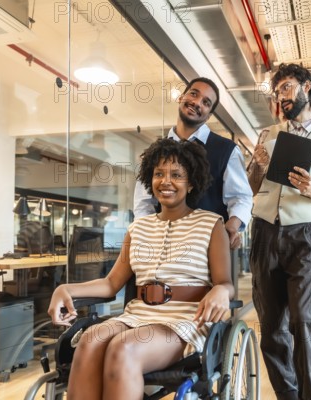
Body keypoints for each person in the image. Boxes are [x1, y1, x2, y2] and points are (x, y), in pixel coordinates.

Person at [48, 138, 234, 400]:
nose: (166, 181)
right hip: (136, 316)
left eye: (176, 175)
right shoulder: (138, 228)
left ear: (191, 183)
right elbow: (112, 283)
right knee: (90, 340)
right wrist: (64, 288)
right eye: (159, 174)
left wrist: (221, 290)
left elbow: (225, 281)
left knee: (124, 348)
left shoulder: (211, 224)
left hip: (185, 321)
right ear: (150, 178)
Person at [247, 63, 311, 400]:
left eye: (287, 87)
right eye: (278, 92)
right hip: (263, 232)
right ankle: (287, 396)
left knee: (304, 320)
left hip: (303, 235)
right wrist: (258, 169)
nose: (282, 96)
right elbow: (249, 188)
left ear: (306, 86)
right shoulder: (267, 135)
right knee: (272, 327)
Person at [133, 77, 252, 249]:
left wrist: (231, 227)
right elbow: (143, 203)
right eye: (193, 94)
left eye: (206, 102)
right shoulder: (154, 152)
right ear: (181, 97)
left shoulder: (227, 150)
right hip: (162, 245)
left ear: (209, 114)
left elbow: (241, 197)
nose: (196, 103)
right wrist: (146, 236)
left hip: (209, 247)